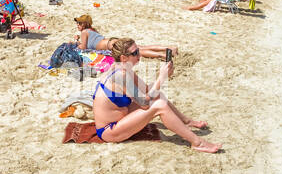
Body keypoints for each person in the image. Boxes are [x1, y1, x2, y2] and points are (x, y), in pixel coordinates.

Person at [91, 38, 219, 152]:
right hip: (110, 130)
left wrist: (162, 76)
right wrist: (161, 79)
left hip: (120, 117)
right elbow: (145, 104)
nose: (139, 55)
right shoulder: (121, 75)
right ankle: (197, 143)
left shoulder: (123, 68)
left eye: (138, 51)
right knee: (159, 106)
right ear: (124, 58)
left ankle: (186, 121)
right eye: (135, 53)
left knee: (158, 95)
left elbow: (147, 90)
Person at [73, 14, 175, 60]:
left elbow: (84, 47)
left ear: (84, 24)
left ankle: (163, 56)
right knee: (140, 47)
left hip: (111, 45)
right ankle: (168, 48)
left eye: (79, 23)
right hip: (112, 41)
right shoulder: (92, 30)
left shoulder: (84, 32)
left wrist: (75, 43)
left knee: (138, 52)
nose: (77, 25)